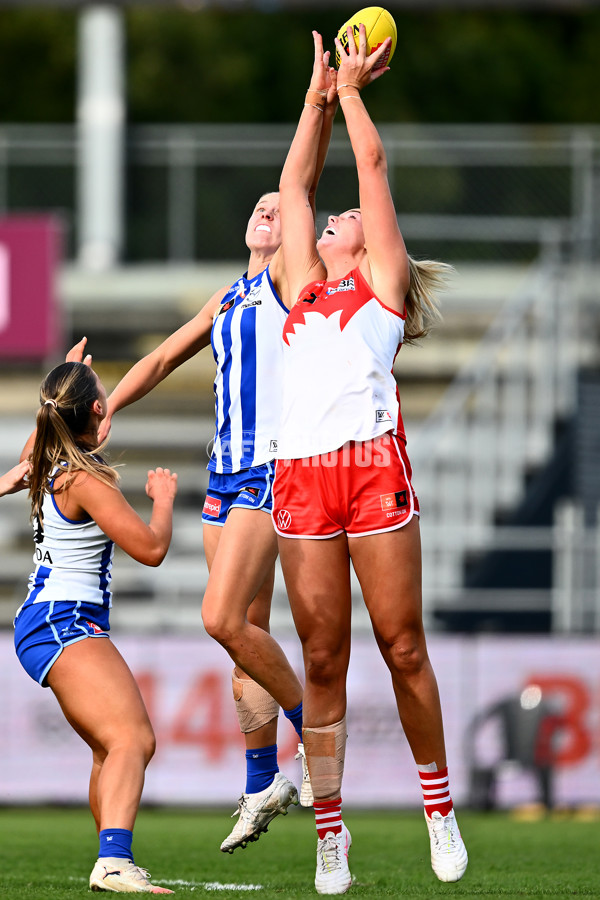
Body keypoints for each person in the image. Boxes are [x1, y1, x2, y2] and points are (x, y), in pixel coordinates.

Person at [97, 102, 337, 852]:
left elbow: (301, 180)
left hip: (271, 468)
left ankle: (321, 736)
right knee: (243, 643)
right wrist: (107, 402)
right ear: (243, 229)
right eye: (259, 208)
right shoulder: (229, 295)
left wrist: (322, 102)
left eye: (279, 207)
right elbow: (164, 356)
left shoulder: (295, 280)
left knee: (221, 618)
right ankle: (263, 779)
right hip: (224, 474)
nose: (269, 210)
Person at [273, 28, 469, 894]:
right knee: (322, 658)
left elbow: (371, 172)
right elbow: (296, 184)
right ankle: (330, 830)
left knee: (404, 647)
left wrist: (352, 93)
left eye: (346, 218)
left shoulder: (380, 283)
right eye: (338, 216)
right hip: (302, 477)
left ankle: (438, 808)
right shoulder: (300, 280)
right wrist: (315, 98)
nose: (338, 216)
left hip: (369, 466)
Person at [15, 347, 178, 894]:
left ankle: (112, 858)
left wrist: (67, 377)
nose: (110, 405)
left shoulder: (41, 463)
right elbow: (151, 549)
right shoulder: (85, 481)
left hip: (48, 621)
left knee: (110, 748)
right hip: (64, 620)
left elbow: (46, 430)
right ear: (93, 414)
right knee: (134, 738)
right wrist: (163, 499)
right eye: (103, 399)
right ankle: (113, 862)